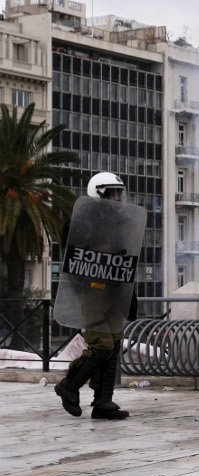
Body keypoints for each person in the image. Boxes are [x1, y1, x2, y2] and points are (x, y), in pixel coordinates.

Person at [54, 172, 137, 420]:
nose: (117, 198)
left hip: (113, 295)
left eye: (119, 193)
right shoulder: (81, 222)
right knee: (101, 345)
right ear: (98, 193)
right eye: (113, 193)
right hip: (92, 293)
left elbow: (125, 263)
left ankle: (103, 402)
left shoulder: (118, 225)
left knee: (113, 346)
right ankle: (69, 385)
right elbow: (74, 257)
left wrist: (130, 298)